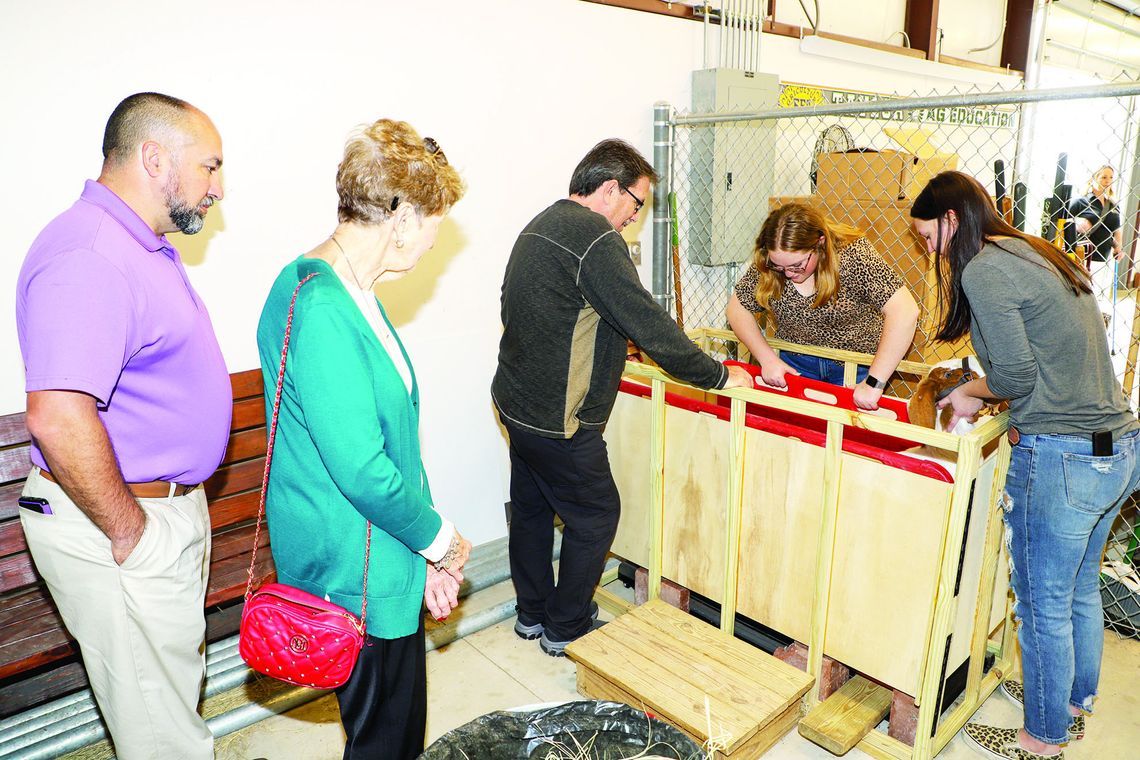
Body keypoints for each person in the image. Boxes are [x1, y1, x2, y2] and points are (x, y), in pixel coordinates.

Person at [15, 92, 228, 759]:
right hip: (122, 523)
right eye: (210, 167)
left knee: (167, 702)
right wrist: (132, 533)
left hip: (158, 510)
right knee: (160, 734)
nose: (218, 189)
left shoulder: (138, 246)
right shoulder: (92, 254)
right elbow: (56, 414)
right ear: (153, 156)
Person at [255, 118, 471, 760]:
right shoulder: (320, 304)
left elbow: (397, 438)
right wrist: (442, 541)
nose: (436, 242)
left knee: (392, 731)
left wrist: (425, 558)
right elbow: (362, 468)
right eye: (436, 222)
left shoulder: (355, 289)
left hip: (382, 551)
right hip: (355, 566)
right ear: (402, 216)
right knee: (388, 743)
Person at [911, 170, 1140, 760]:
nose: (929, 251)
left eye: (930, 239)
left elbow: (1015, 377)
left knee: (1040, 605)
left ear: (952, 219)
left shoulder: (984, 268)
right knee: (1077, 589)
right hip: (1118, 448)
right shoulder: (1036, 252)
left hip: (1062, 457)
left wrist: (968, 395)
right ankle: (1070, 705)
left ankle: (1042, 741)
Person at [492, 138, 752, 657]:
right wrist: (718, 376)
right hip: (559, 421)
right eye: (636, 203)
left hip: (515, 404)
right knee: (596, 515)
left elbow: (534, 308)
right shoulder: (595, 239)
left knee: (532, 508)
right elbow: (648, 323)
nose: (634, 218)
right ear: (610, 189)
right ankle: (565, 626)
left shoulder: (540, 224)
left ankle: (532, 614)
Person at [726, 202, 919, 410]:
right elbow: (737, 310)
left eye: (797, 265)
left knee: (843, 436)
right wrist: (767, 359)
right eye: (779, 267)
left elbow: (905, 311)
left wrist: (874, 382)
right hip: (795, 364)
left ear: (820, 243)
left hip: (853, 367)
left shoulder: (852, 255)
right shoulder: (770, 262)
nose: (788, 274)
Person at [1068, 164, 1123, 299]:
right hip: (1083, 257)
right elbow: (1063, 224)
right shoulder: (1081, 201)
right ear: (1094, 179)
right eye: (1104, 177)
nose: (1108, 181)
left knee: (1098, 297)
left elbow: (1116, 230)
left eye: (1111, 177)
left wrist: (1119, 248)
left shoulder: (1114, 205)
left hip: (1104, 258)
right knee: (1082, 296)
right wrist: (1077, 225)